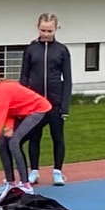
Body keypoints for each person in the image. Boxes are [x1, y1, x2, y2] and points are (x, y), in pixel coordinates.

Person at [18, 14, 72, 185]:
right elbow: (24, 77)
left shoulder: (62, 50)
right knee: (34, 137)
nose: (46, 34)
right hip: (35, 104)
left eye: (50, 31)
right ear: (38, 28)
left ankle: (57, 172)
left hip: (55, 103)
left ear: (56, 29)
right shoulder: (31, 49)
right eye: (43, 30)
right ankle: (34, 171)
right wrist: (22, 104)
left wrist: (65, 105)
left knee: (58, 137)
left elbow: (68, 79)